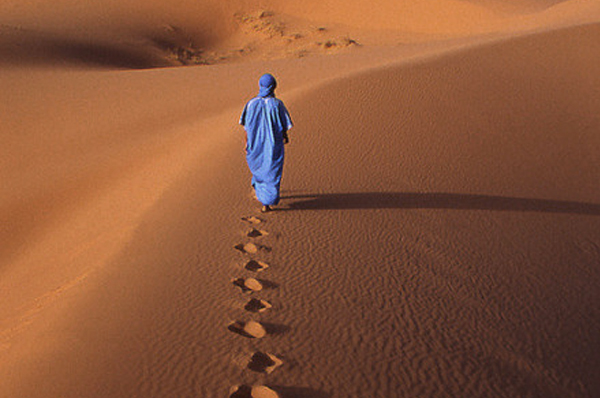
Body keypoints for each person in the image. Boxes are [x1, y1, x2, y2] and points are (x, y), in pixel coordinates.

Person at [239, 73, 293, 213]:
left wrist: (246, 143)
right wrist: (285, 137)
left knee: (260, 169)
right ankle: (266, 203)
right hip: (273, 146)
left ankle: (261, 193)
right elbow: (284, 125)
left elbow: (246, 127)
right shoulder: (277, 104)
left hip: (255, 144)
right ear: (274, 86)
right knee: (271, 173)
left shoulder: (250, 104)